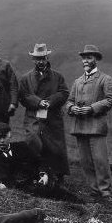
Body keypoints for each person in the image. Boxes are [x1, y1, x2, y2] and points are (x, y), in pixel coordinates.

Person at [65, 45, 112, 199]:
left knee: (100, 160)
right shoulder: (78, 81)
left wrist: (92, 108)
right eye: (84, 58)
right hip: (79, 127)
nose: (85, 60)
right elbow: (69, 101)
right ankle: (94, 191)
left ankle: (106, 192)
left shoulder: (105, 79)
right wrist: (72, 108)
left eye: (89, 57)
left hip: (96, 127)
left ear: (96, 59)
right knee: (86, 161)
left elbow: (111, 100)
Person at [18, 44, 70, 188]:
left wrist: (51, 102)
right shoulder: (25, 78)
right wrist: (39, 102)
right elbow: (23, 96)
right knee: (33, 140)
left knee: (55, 146)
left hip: (53, 116)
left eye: (42, 58)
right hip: (33, 116)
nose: (40, 61)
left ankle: (57, 176)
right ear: (33, 59)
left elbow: (64, 93)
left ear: (47, 58)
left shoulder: (58, 77)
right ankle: (35, 172)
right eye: (37, 59)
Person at [0, 123, 45, 190]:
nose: (2, 141)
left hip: (39, 182)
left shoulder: (21, 147)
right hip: (22, 189)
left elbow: (39, 160)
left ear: (10, 135)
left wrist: (43, 173)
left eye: (4, 137)